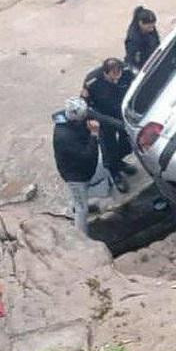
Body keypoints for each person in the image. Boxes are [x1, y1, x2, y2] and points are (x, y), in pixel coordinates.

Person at [82, 58, 136, 192]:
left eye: (119, 75)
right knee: (109, 145)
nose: (117, 80)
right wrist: (93, 120)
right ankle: (115, 172)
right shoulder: (92, 81)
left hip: (122, 113)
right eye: (113, 78)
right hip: (104, 117)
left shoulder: (127, 71)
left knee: (127, 142)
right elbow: (85, 102)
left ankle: (120, 161)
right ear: (105, 73)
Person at [52, 97, 99, 235]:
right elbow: (87, 156)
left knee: (84, 193)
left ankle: (79, 202)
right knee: (81, 210)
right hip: (74, 175)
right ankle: (82, 240)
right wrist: (94, 135)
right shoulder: (64, 136)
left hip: (83, 170)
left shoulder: (73, 120)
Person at [124, 6, 159, 74]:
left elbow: (156, 41)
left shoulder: (150, 29)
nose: (152, 29)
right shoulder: (133, 39)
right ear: (140, 23)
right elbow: (133, 59)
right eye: (149, 27)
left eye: (153, 26)